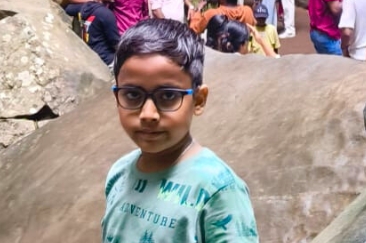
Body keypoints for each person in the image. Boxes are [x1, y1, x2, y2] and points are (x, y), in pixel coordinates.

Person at [103, 19, 259, 242]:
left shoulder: (218, 190)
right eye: (132, 95)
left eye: (167, 96)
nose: (148, 114)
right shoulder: (118, 173)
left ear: (198, 100)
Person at [79, 0, 120, 67]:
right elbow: (115, 42)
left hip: (91, 58)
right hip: (107, 60)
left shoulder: (85, 9)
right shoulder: (105, 14)